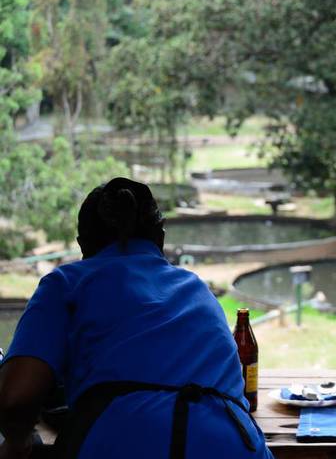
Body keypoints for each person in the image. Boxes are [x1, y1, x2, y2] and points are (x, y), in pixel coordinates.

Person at [0, 178, 274, 459]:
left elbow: (16, 398)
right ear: (161, 236)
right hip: (235, 445)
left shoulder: (66, 284)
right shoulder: (197, 288)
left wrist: (17, 443)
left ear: (83, 244)